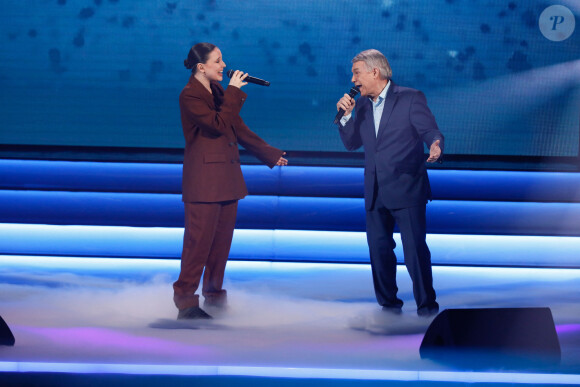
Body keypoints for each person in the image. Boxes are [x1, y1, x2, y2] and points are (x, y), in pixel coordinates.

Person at [174, 42, 288, 320]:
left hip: (226, 178)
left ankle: (213, 297)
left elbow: (237, 128)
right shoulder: (190, 96)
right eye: (218, 61)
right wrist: (235, 92)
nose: (224, 66)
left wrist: (269, 153)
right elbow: (217, 125)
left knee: (220, 245)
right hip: (204, 182)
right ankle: (186, 302)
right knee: (198, 244)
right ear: (201, 67)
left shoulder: (218, 91)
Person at [335, 49, 443, 317]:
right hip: (375, 190)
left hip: (406, 186)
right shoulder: (359, 104)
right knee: (379, 250)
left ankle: (426, 307)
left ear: (375, 72)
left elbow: (429, 129)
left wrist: (436, 144)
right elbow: (351, 143)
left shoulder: (409, 98)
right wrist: (345, 116)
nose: (353, 79)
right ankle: (388, 305)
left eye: (357, 72)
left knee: (415, 251)